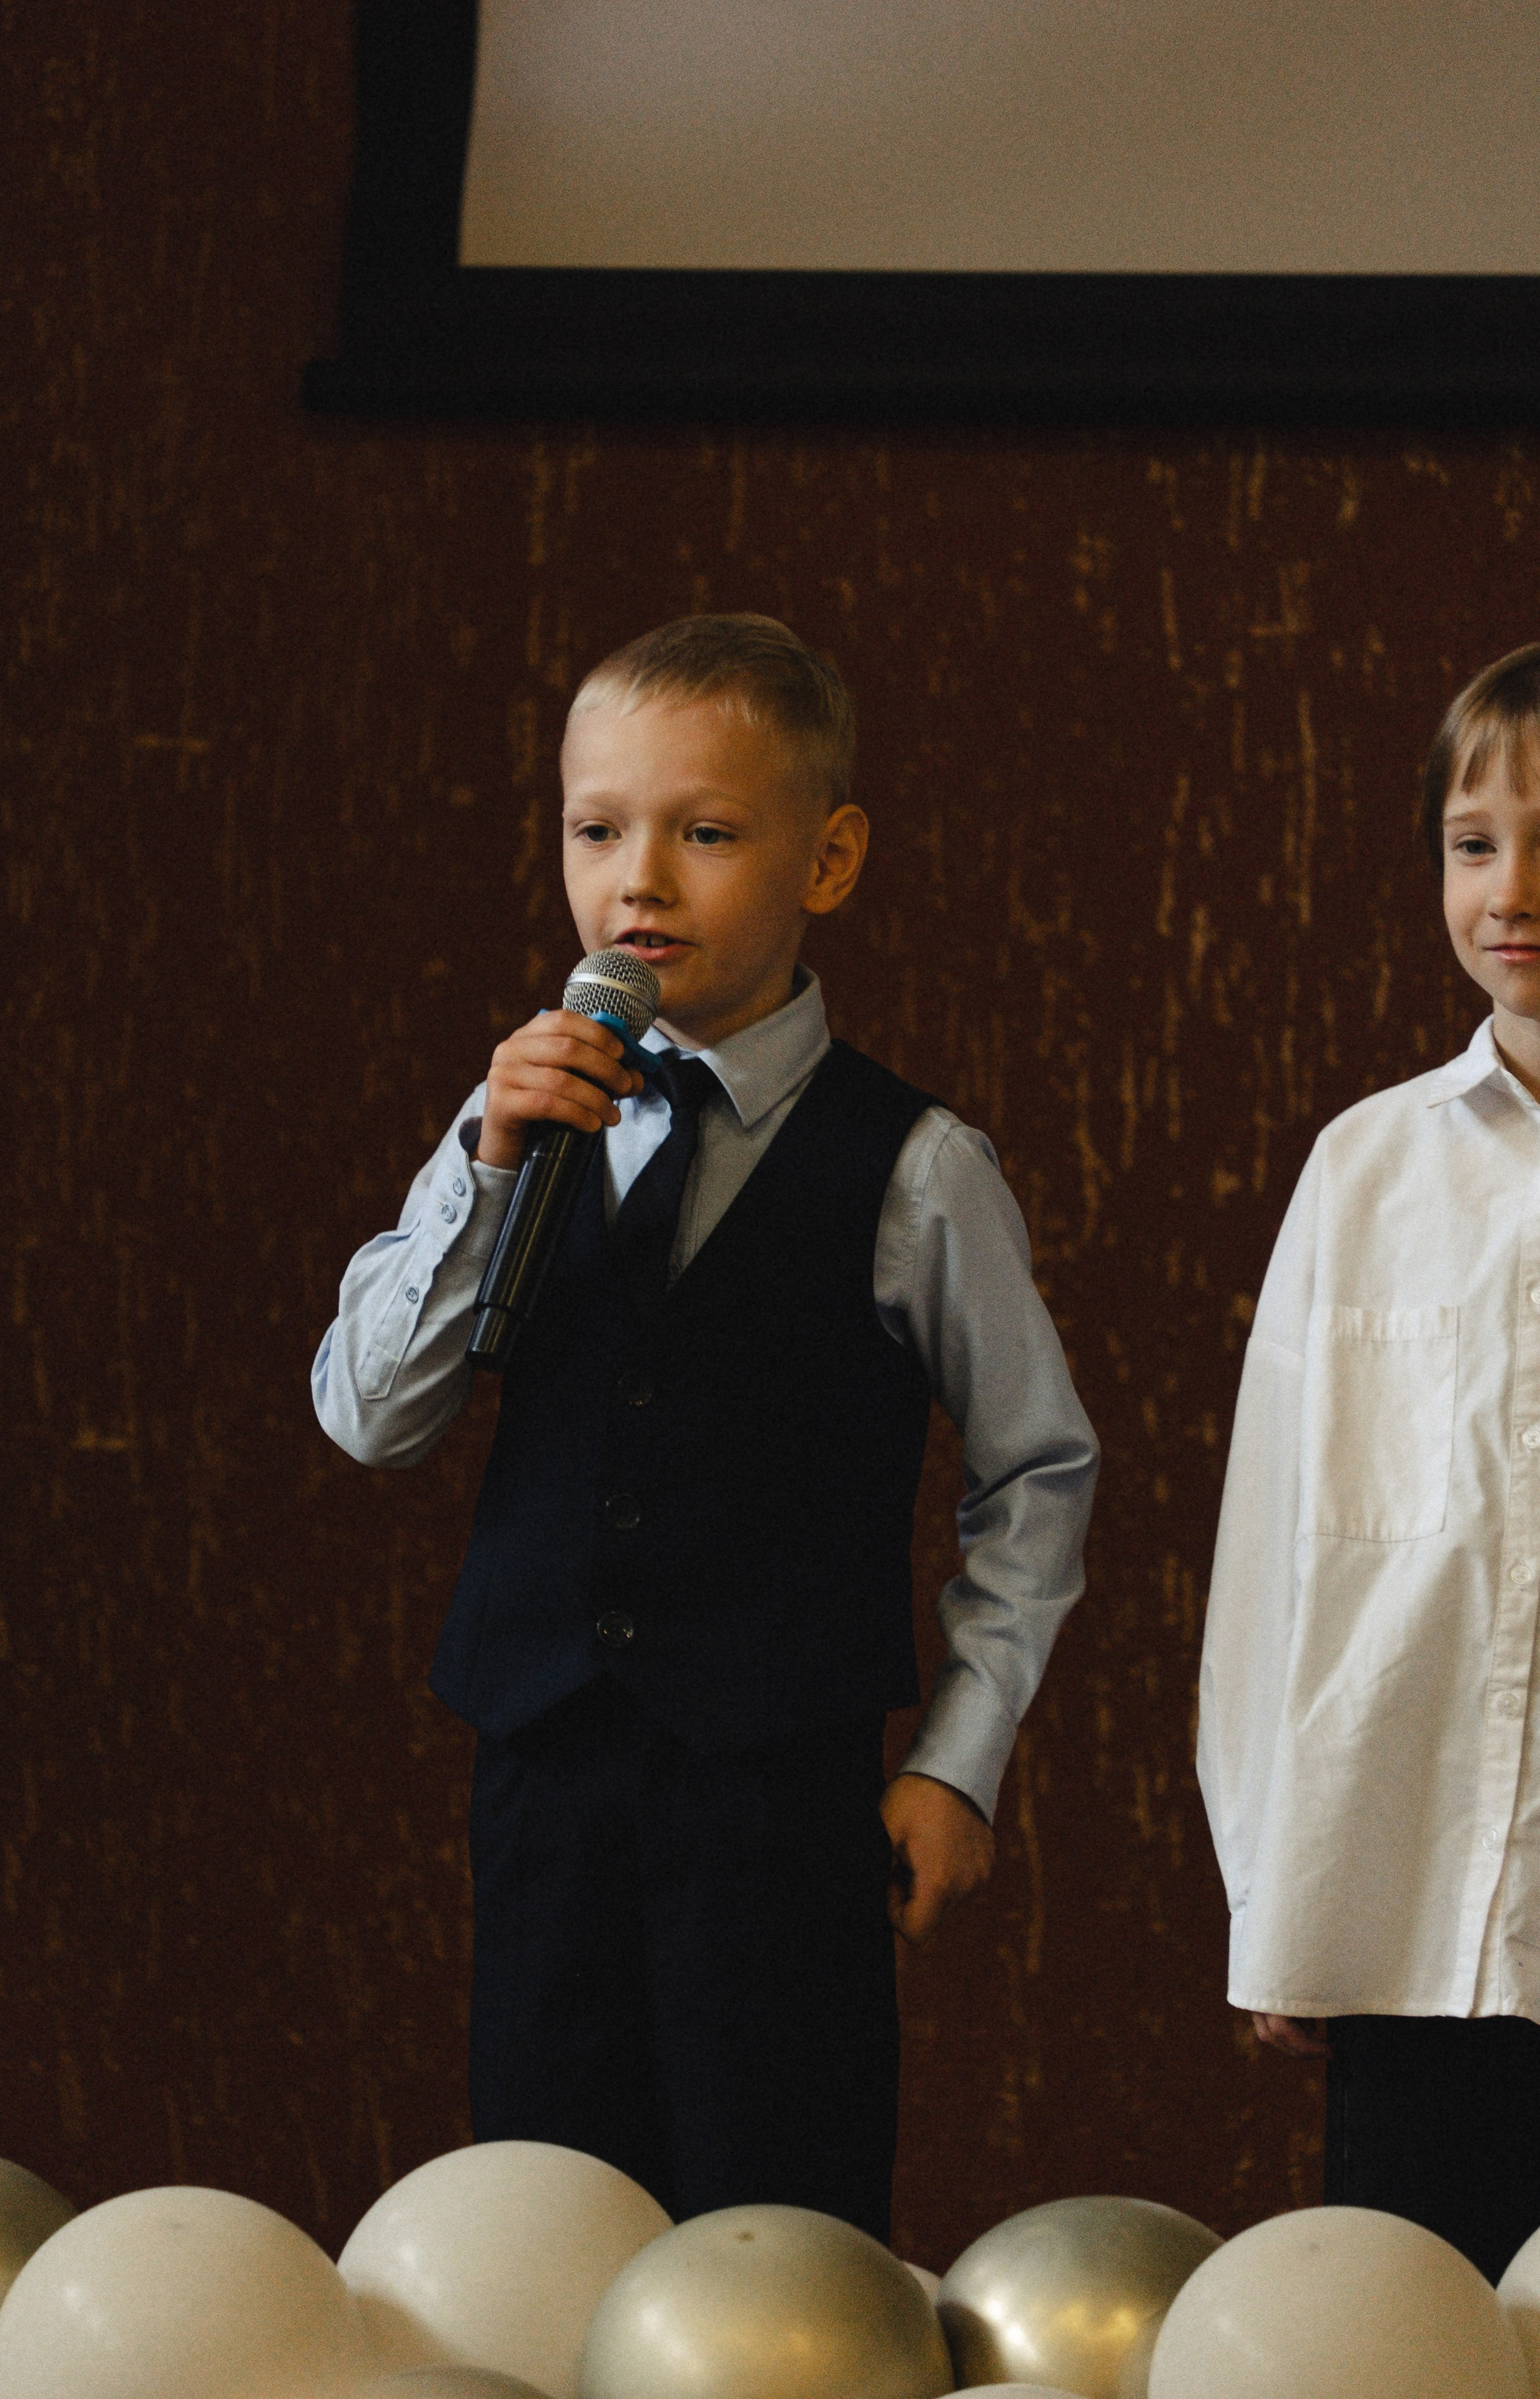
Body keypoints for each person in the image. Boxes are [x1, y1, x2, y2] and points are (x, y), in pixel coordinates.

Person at [313, 613, 1097, 2240]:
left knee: (774, 2221)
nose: (639, 880)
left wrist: (961, 1758)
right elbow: (373, 1417)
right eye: (597, 829)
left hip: (778, 1804)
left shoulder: (921, 1168)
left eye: (707, 830)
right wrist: (484, 1163)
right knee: (541, 2226)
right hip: (545, 1777)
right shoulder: (516, 1121)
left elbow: (1037, 1475)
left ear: (830, 858)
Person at [1198, 641, 1540, 2284]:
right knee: (1410, 2325)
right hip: (1416, 1922)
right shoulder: (1370, 1168)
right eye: (1475, 844)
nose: (1513, 888)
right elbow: (1284, 1547)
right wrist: (1276, 1874)